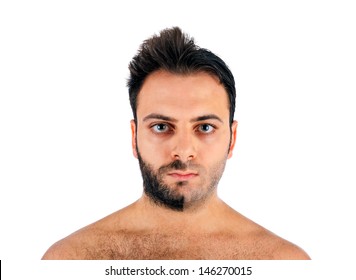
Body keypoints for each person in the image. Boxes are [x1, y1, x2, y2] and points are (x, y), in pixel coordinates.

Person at [42, 26, 310, 260]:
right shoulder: (71, 260)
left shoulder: (283, 264)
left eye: (205, 127)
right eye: (161, 127)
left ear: (232, 139)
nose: (183, 151)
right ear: (134, 137)